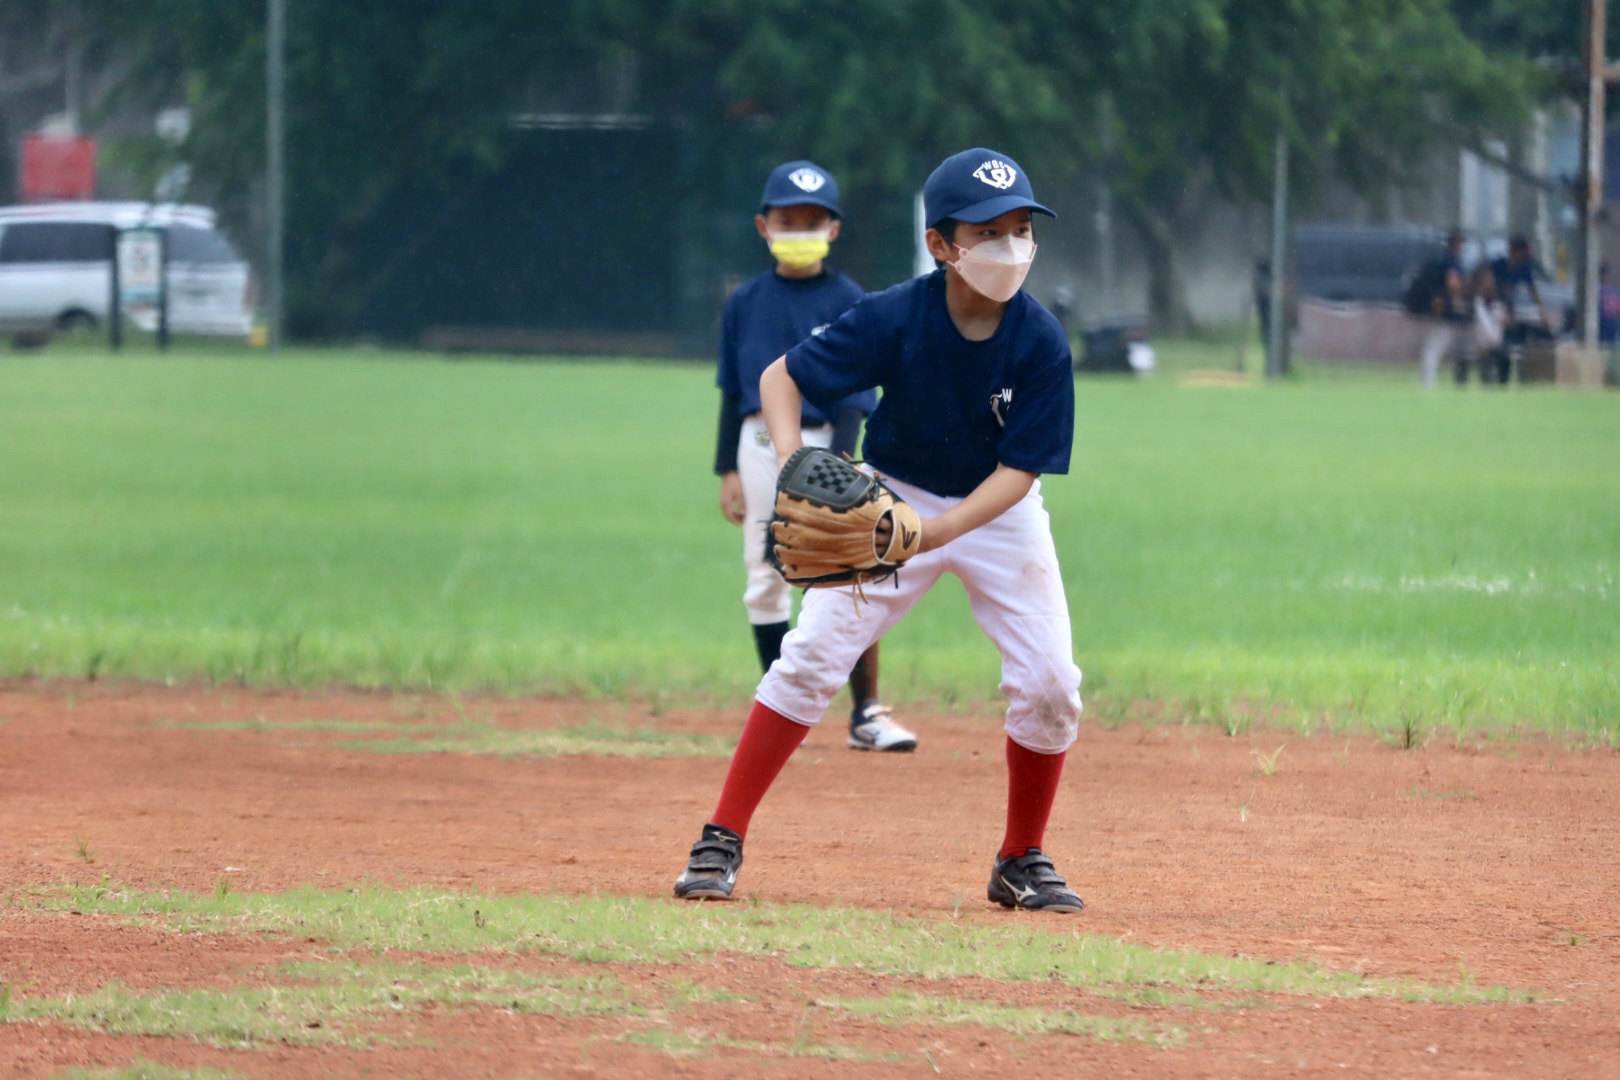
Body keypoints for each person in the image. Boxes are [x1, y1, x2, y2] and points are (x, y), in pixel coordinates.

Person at [676, 148, 1086, 912]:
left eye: (1022, 228)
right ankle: (721, 836)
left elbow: (1020, 472)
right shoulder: (896, 315)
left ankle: (1020, 857)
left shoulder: (1040, 341)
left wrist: (938, 531)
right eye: (988, 231)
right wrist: (794, 465)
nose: (1010, 247)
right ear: (940, 244)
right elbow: (779, 379)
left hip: (996, 511)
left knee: (1052, 685)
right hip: (888, 498)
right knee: (810, 657)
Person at [714, 159, 918, 753]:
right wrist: (726, 469)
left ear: (833, 229)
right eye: (788, 219)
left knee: (851, 571)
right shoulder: (745, 301)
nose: (799, 229)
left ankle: (866, 713)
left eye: (813, 220)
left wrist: (842, 467)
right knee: (766, 575)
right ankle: (782, 711)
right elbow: (732, 389)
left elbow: (858, 392)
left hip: (831, 441)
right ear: (763, 226)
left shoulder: (851, 298)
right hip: (758, 446)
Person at [1411, 229, 1471, 389]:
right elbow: (1453, 284)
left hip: (1437, 309)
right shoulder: (1451, 262)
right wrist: (1462, 291)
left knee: (1434, 348)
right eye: (1460, 243)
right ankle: (1428, 384)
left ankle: (1428, 383)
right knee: (1434, 349)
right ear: (1455, 244)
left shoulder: (1444, 260)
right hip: (1445, 310)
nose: (1462, 246)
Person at [1457, 262, 1508, 387]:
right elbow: (1471, 324)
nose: (1489, 283)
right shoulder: (1471, 301)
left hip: (1493, 342)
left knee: (1503, 357)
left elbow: (1506, 320)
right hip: (1473, 343)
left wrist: (1505, 318)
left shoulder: (1495, 300)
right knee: (1473, 356)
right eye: (1486, 280)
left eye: (1491, 280)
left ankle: (1500, 386)